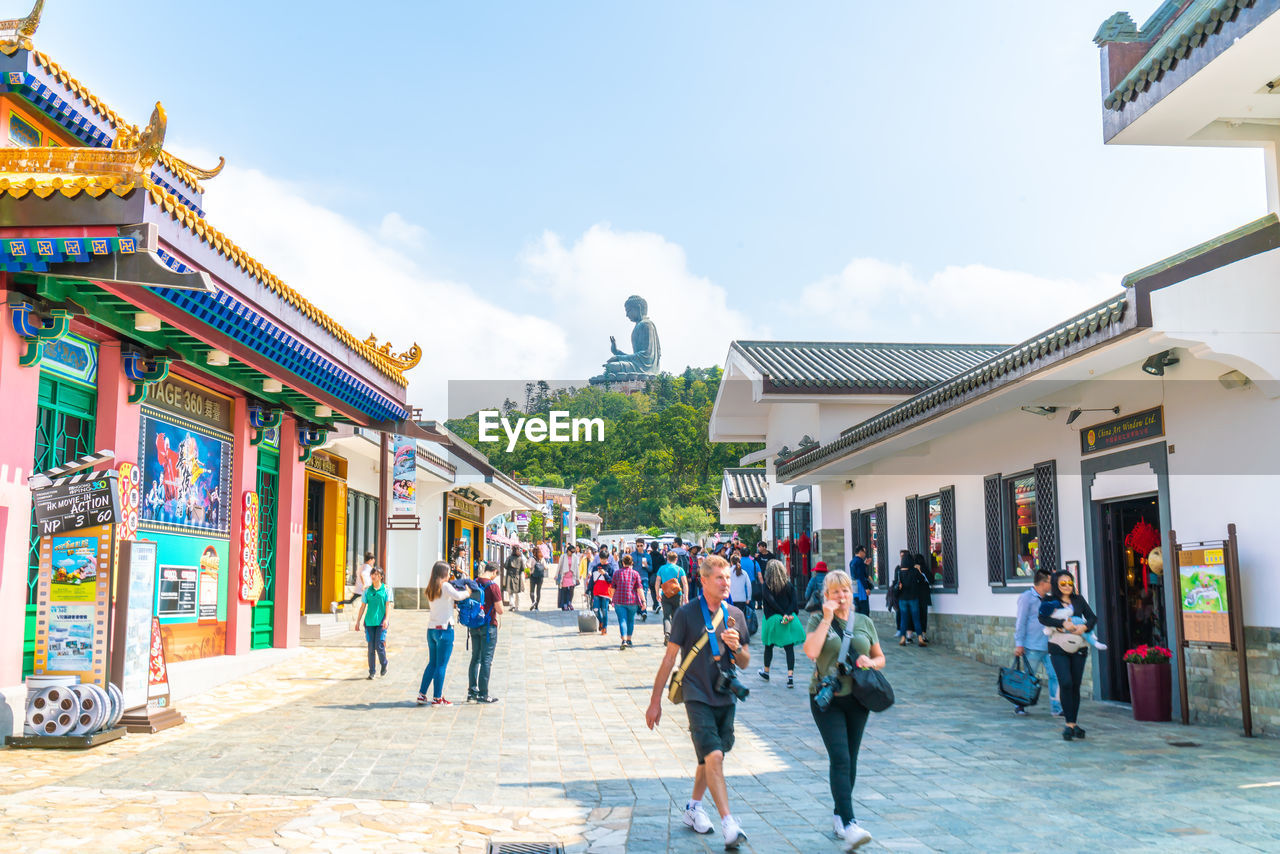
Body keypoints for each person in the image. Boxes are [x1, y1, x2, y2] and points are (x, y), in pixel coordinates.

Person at [645, 555, 752, 849]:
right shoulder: (687, 614)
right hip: (695, 692)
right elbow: (669, 659)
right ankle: (729, 823)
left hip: (725, 693)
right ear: (703, 581)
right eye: (719, 578)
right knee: (714, 755)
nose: (725, 583)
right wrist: (656, 702)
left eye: (728, 578)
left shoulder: (736, 616)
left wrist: (736, 646)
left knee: (711, 756)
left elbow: (744, 661)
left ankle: (693, 807)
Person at [803, 569, 884, 850]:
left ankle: (839, 815)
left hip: (859, 698)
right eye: (835, 591)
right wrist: (826, 618)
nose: (841, 596)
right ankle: (850, 823)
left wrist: (869, 662)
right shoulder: (817, 619)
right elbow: (811, 652)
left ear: (853, 593)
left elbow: (880, 657)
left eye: (846, 590)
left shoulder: (863, 621)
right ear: (826, 595)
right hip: (827, 699)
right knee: (839, 757)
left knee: (850, 758)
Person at [1039, 570, 1097, 740]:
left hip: (1079, 646)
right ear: (1057, 584)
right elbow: (1043, 619)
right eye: (1063, 583)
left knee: (1075, 685)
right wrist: (1061, 623)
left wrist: (1085, 627)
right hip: (1058, 646)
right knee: (1065, 682)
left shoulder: (1078, 600)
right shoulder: (1049, 600)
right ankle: (1068, 724)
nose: (1067, 586)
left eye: (1069, 583)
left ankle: (1072, 723)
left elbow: (1092, 618)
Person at [417, 561, 471, 706]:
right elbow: (459, 596)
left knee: (432, 663)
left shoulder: (431, 587)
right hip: (445, 629)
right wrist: (468, 592)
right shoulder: (445, 586)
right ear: (443, 573)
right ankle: (437, 698)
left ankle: (422, 694)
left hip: (432, 629)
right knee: (441, 665)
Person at [1013, 569, 1061, 717]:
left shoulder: (1049, 599)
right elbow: (1020, 621)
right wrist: (1019, 643)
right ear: (1042, 583)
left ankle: (1057, 708)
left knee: (1056, 676)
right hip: (1032, 646)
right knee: (1028, 676)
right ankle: (1020, 705)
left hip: (1050, 644)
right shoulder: (1026, 598)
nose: (1052, 584)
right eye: (1050, 581)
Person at [758, 558, 805, 688]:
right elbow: (794, 603)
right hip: (788, 619)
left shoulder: (766, 586)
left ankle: (766, 671)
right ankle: (790, 677)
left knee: (769, 646)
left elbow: (771, 602)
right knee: (789, 648)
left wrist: (781, 613)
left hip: (772, 620)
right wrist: (787, 614)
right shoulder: (788, 585)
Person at [467, 562, 503, 704]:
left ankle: (472, 692)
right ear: (493, 572)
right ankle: (483, 693)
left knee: (475, 658)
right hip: (488, 627)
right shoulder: (493, 587)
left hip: (474, 625)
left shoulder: (473, 582)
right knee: (486, 660)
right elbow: (500, 610)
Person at [361, 567, 391, 680]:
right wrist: (358, 621)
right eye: (372, 574)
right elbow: (363, 606)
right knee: (371, 648)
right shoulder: (367, 591)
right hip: (369, 622)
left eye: (376, 574)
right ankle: (372, 671)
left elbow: (387, 606)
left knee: (379, 645)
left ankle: (384, 663)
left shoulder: (387, 589)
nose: (373, 576)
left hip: (381, 621)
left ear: (381, 576)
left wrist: (386, 619)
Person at [892, 554, 929, 646]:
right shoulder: (914, 571)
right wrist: (919, 571)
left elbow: (895, 584)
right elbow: (922, 580)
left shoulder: (899, 572)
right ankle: (920, 639)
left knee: (904, 619)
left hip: (902, 599)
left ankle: (903, 638)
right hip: (913, 598)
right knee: (916, 619)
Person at [612, 554, 646, 650]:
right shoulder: (635, 574)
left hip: (619, 600)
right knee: (630, 620)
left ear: (623, 563)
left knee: (622, 620)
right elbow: (639, 589)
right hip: (632, 601)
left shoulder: (617, 573)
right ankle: (629, 639)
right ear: (632, 563)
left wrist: (612, 598)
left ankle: (624, 640)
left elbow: (613, 588)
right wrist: (643, 601)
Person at [657, 550, 688, 642]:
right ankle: (676, 636)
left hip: (665, 594)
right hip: (677, 595)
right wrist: (686, 596)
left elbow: (657, 582)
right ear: (676, 559)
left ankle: (667, 633)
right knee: (676, 616)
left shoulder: (662, 568)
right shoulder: (680, 569)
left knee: (666, 616)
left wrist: (657, 593)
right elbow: (685, 583)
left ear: (667, 558)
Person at [350, 552, 377, 628]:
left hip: (363, 589)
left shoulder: (364, 566)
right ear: (370, 560)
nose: (373, 562)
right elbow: (362, 574)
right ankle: (368, 622)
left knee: (362, 605)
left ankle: (366, 622)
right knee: (369, 605)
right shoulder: (366, 567)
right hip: (365, 589)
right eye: (373, 560)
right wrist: (364, 584)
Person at [589, 558, 614, 636]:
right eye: (601, 559)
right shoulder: (595, 567)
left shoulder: (610, 568)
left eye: (604, 559)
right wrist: (588, 589)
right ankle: (601, 621)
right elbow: (592, 580)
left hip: (606, 592)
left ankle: (604, 628)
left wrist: (605, 574)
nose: (603, 561)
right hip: (596, 591)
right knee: (595, 609)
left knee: (604, 610)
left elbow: (611, 581)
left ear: (607, 559)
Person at [728, 556, 753, 625]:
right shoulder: (744, 572)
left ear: (731, 562)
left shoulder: (727, 572)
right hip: (741, 599)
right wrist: (748, 598)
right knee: (740, 618)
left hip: (730, 599)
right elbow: (749, 586)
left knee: (730, 619)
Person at [849, 546, 872, 617]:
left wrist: (865, 565)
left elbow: (856, 573)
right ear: (860, 552)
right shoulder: (860, 561)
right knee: (864, 608)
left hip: (854, 585)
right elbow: (861, 575)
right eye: (864, 552)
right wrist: (866, 588)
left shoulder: (852, 561)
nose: (865, 554)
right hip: (861, 586)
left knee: (857, 605)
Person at [503, 547, 527, 611]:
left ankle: (512, 605)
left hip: (510, 576)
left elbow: (505, 566)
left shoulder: (509, 558)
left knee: (510, 591)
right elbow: (523, 568)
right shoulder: (520, 559)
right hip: (517, 576)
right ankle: (517, 606)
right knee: (518, 592)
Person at [557, 545, 578, 610]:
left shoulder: (574, 557)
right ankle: (565, 604)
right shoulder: (563, 556)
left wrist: (577, 577)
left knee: (571, 590)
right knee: (564, 591)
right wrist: (556, 575)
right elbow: (559, 566)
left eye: (573, 552)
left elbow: (576, 567)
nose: (572, 553)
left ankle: (569, 602)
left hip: (572, 575)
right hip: (564, 575)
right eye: (571, 552)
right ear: (568, 551)